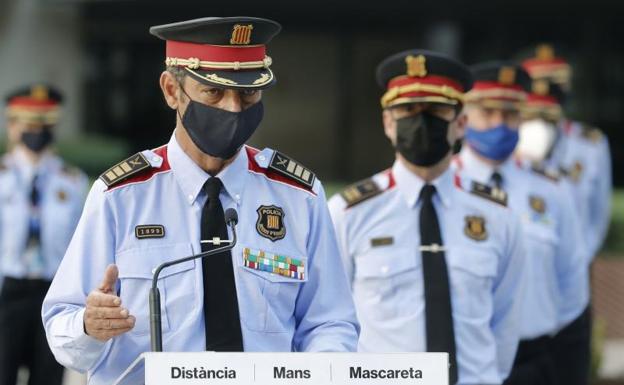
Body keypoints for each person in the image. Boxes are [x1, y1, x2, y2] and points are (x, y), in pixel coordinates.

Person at [42, 16, 359, 385]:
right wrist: (88, 325)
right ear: (171, 90)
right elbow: (61, 324)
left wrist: (318, 369)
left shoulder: (298, 197)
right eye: (213, 92)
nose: (233, 109)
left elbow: (330, 321)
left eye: (248, 94)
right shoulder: (121, 197)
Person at [328, 49, 526, 385]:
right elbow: (332, 321)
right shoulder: (349, 213)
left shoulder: (498, 214)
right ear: (388, 123)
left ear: (460, 123)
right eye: (407, 110)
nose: (421, 122)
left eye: (435, 110)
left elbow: (505, 324)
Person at [452, 62, 589, 385]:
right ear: (465, 116)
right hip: (463, 362)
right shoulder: (444, 185)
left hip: (535, 362)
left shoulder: (551, 189)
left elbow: (572, 284)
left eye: (511, 114)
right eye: (489, 112)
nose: (500, 123)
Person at [520, 44, 611, 385]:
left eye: (554, 83)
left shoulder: (589, 143)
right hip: (526, 262)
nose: (546, 91)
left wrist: (577, 257)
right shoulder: (514, 142)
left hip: (574, 263)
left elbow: (597, 213)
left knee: (570, 352)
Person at [0, 84, 88, 385]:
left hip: (53, 291)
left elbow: (81, 243)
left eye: (44, 126)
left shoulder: (73, 182)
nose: (36, 133)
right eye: (29, 126)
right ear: (13, 128)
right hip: (7, 290)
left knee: (48, 376)